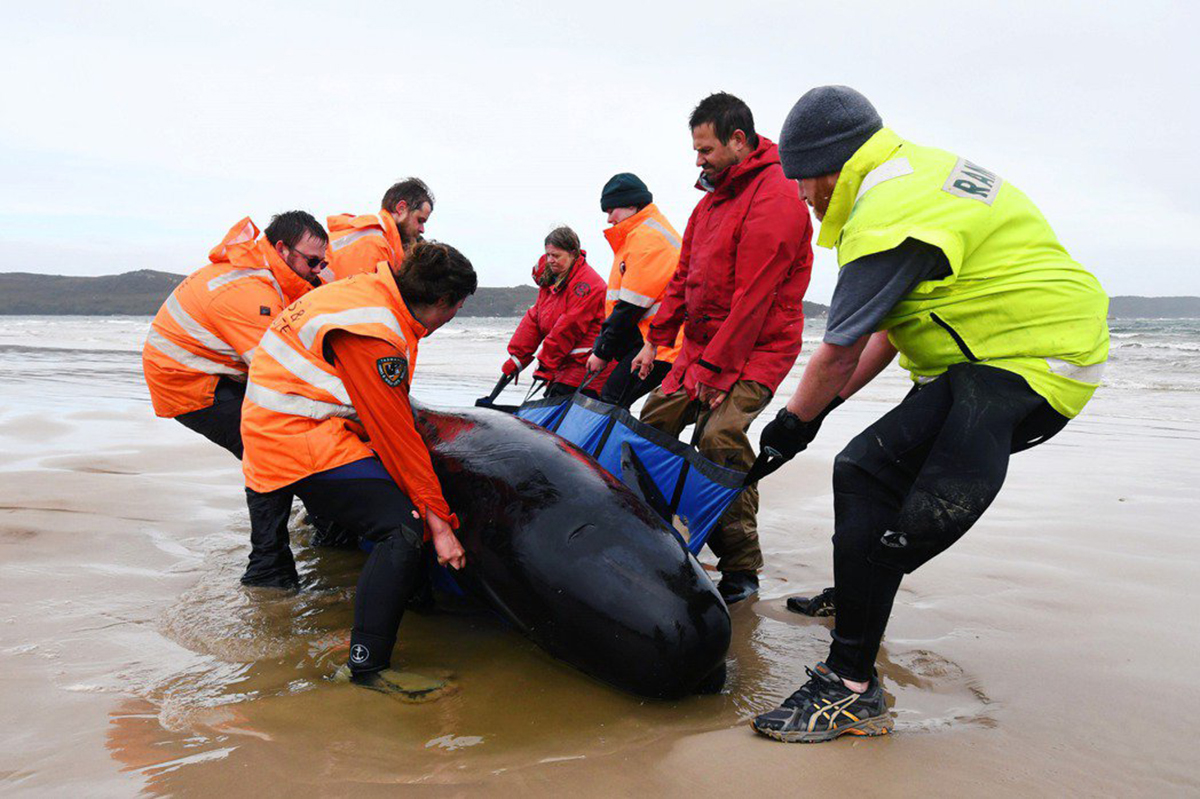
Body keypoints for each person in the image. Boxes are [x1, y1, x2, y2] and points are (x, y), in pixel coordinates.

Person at [750, 86, 1109, 743]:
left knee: (868, 475)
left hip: (1030, 355)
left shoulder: (886, 210)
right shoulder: (912, 176)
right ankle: (859, 596)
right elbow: (887, 330)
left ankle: (851, 686)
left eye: (804, 181)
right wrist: (823, 410)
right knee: (866, 469)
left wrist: (791, 423)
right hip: (996, 351)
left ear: (831, 167)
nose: (803, 196)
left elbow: (839, 347)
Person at [239, 241, 477, 695]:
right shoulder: (373, 332)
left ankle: (402, 599)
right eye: (457, 309)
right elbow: (396, 436)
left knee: (399, 505)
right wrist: (440, 524)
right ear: (444, 303)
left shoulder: (372, 292)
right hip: (294, 437)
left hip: (293, 423)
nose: (452, 318)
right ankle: (367, 668)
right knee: (402, 526)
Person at [630, 92, 813, 604]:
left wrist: (716, 372)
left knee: (720, 439)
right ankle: (651, 536)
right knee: (652, 426)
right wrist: (657, 341)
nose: (698, 160)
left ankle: (740, 569)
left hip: (759, 350)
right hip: (701, 350)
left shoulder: (777, 194)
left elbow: (755, 296)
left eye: (706, 149)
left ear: (738, 140)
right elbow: (684, 278)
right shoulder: (709, 203)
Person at [142, 212, 325, 457]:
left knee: (284, 439)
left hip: (210, 369)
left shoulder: (265, 273)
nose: (317, 271)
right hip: (188, 382)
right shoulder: (252, 291)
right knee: (272, 448)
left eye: (323, 263)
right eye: (313, 262)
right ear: (282, 249)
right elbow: (278, 371)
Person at [585, 173, 684, 408]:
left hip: (666, 344)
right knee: (615, 397)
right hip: (656, 340)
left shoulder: (647, 238)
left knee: (612, 397)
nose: (609, 219)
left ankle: (610, 445)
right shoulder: (640, 235)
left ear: (632, 204)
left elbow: (630, 306)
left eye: (611, 211)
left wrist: (602, 352)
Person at [503, 226, 613, 398]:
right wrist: (518, 357)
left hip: (587, 365)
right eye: (548, 255)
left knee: (559, 405)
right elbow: (535, 318)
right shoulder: (551, 280)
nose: (550, 260)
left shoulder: (589, 285)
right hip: (565, 362)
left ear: (573, 254)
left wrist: (545, 365)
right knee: (551, 405)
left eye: (556, 256)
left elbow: (569, 327)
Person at [323, 177, 434, 282]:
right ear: (401, 208)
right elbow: (363, 298)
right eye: (420, 220)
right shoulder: (373, 242)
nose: (422, 229)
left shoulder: (377, 238)